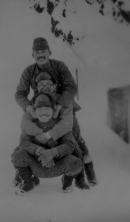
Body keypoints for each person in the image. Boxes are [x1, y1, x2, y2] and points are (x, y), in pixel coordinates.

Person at [14, 37, 97, 186]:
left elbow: (71, 88)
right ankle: (22, 175)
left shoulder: (59, 66)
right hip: (41, 109)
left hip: (64, 107)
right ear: (32, 54)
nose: (40, 54)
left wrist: (59, 106)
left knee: (74, 139)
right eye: (37, 52)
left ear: (49, 52)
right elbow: (20, 94)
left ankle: (83, 176)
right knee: (28, 139)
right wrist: (30, 109)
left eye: (43, 51)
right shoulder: (29, 71)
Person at [11, 93, 83, 194]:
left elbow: (69, 144)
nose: (43, 112)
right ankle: (28, 181)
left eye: (47, 109)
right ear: (35, 111)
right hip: (36, 165)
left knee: (76, 162)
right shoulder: (30, 125)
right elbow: (23, 143)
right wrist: (40, 151)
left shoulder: (61, 125)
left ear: (53, 110)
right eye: (39, 109)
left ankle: (67, 183)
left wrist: (52, 153)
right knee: (17, 155)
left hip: (57, 165)